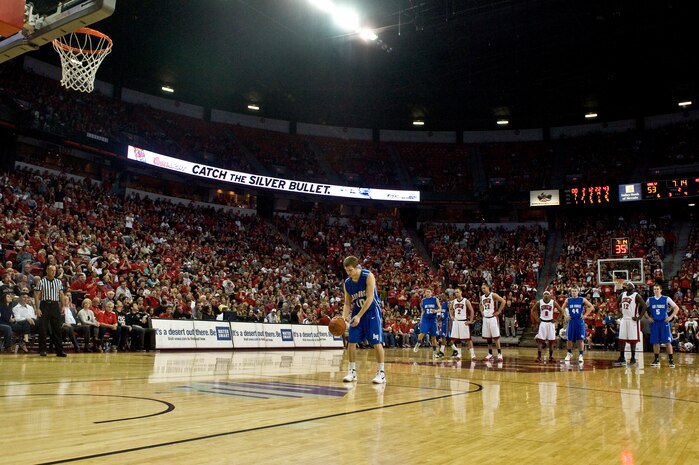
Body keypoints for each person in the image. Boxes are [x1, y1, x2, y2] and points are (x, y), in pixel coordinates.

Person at [341, 256, 386, 384]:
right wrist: (344, 318)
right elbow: (347, 303)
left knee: (376, 342)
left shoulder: (368, 276)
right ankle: (352, 372)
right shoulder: (347, 283)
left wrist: (359, 316)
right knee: (352, 341)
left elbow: (370, 298)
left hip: (371, 311)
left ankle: (381, 373)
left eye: (350, 270)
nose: (348, 273)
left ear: (357, 267)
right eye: (346, 270)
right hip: (357, 312)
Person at [643, 283, 679, 368]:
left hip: (664, 322)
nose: (656, 290)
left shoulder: (666, 298)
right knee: (655, 342)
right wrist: (648, 317)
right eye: (654, 289)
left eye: (657, 289)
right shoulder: (650, 299)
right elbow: (644, 308)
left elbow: (676, 308)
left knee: (667, 342)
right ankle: (656, 360)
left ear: (661, 290)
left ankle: (671, 360)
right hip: (655, 322)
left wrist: (670, 317)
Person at [615, 282, 647, 365]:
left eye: (629, 285)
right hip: (624, 319)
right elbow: (617, 303)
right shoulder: (622, 294)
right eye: (627, 285)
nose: (627, 286)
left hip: (633, 320)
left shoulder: (636, 295)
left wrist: (639, 317)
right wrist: (619, 312)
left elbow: (644, 306)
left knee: (633, 340)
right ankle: (622, 356)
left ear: (633, 288)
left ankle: (633, 357)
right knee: (621, 339)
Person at [562, 287, 594, 363]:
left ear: (578, 292)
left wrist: (585, 315)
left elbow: (591, 306)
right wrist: (566, 316)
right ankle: (569, 353)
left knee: (580, 339)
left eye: (575, 291)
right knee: (569, 339)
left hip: (579, 321)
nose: (574, 292)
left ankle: (581, 355)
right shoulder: (568, 300)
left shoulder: (582, 299)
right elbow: (562, 308)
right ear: (571, 292)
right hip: (571, 320)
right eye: (572, 291)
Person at [531, 290, 563, 363]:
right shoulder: (539, 302)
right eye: (545, 294)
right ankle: (539, 357)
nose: (546, 295)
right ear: (543, 295)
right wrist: (536, 318)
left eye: (547, 294)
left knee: (551, 341)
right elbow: (532, 310)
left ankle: (551, 357)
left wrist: (557, 320)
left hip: (551, 323)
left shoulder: (553, 302)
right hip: (542, 322)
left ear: (550, 295)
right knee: (540, 341)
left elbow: (561, 311)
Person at [480, 282, 506, 362]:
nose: (483, 290)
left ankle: (499, 354)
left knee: (496, 337)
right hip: (486, 318)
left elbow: (503, 301)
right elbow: (480, 305)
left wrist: (499, 311)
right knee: (488, 338)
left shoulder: (493, 295)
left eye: (484, 288)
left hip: (492, 318)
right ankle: (490, 354)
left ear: (488, 288)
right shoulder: (482, 297)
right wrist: (482, 312)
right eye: (482, 288)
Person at [413, 288, 441, 358]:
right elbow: (422, 311)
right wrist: (421, 320)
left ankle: (434, 352)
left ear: (431, 293)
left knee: (433, 337)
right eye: (426, 292)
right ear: (425, 293)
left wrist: (436, 311)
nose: (428, 293)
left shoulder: (435, 299)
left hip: (433, 319)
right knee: (422, 333)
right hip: (425, 319)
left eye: (429, 292)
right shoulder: (423, 300)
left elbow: (440, 309)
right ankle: (418, 343)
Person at [449, 287, 475, 360]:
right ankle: (459, 354)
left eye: (457, 292)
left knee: (468, 339)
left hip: (464, 322)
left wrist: (470, 320)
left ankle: (472, 354)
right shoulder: (453, 301)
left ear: (461, 292)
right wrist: (451, 316)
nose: (456, 293)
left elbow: (472, 311)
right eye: (455, 292)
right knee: (458, 339)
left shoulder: (466, 301)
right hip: (456, 321)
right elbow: (450, 309)